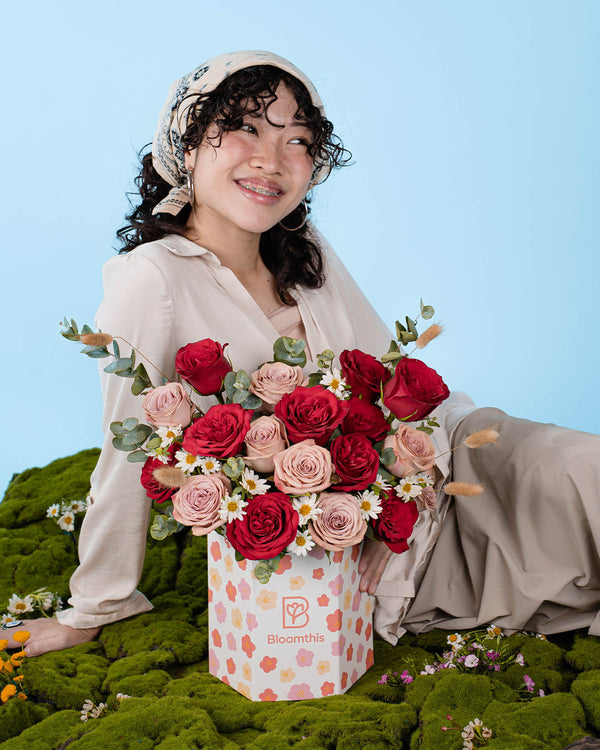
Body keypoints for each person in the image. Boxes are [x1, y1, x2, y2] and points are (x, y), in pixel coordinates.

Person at [4, 51, 599, 657]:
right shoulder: (151, 278)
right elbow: (126, 452)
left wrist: (409, 489)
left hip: (447, 468)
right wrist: (95, 608)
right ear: (187, 146)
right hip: (362, 551)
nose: (271, 159)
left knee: (585, 469)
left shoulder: (305, 248)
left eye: (297, 140)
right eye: (245, 128)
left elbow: (392, 382)